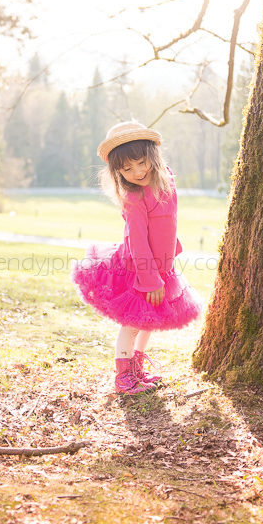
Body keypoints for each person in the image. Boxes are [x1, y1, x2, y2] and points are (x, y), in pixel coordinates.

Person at [71, 120, 204, 394]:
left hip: (161, 266)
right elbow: (138, 240)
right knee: (133, 322)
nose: (137, 171)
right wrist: (150, 279)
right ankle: (123, 376)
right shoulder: (133, 196)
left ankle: (137, 369)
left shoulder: (166, 178)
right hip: (140, 268)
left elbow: (167, 220)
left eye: (141, 162)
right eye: (127, 169)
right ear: (117, 173)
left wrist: (167, 259)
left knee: (149, 320)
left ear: (152, 157)